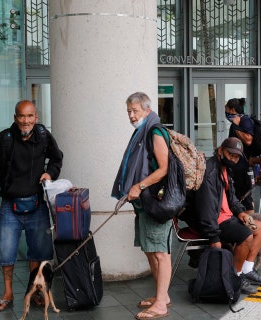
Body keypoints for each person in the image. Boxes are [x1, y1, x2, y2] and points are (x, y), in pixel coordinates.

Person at [0, 100, 63, 312]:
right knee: (6, 253)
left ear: (36, 117)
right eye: (21, 117)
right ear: (15, 118)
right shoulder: (5, 139)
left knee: (39, 252)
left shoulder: (43, 136)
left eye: (30, 116)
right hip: (10, 206)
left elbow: (57, 158)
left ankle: (33, 290)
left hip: (36, 204)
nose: (26, 121)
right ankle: (8, 292)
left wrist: (50, 173)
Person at [111, 92, 173, 320]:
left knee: (161, 253)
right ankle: (161, 296)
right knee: (149, 250)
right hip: (144, 203)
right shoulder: (141, 131)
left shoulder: (155, 132)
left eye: (135, 110)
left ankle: (161, 305)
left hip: (157, 202)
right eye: (128, 111)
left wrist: (139, 185)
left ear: (147, 111)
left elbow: (164, 168)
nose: (131, 115)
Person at [184, 137, 261, 294]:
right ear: (220, 151)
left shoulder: (225, 169)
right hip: (213, 222)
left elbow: (232, 199)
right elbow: (206, 209)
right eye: (231, 155)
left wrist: (242, 213)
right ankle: (235, 277)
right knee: (247, 236)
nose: (234, 159)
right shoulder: (209, 172)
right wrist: (214, 237)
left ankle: (247, 269)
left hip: (225, 216)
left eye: (237, 157)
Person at [225, 98, 255, 210]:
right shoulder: (238, 121)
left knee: (245, 196)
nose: (226, 112)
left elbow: (248, 140)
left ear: (232, 110)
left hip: (242, 165)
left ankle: (251, 221)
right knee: (237, 194)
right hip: (236, 164)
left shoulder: (244, 120)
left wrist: (236, 126)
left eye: (226, 109)